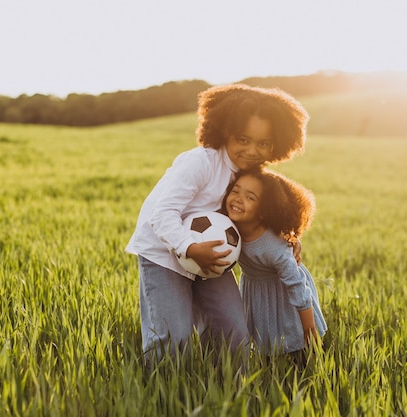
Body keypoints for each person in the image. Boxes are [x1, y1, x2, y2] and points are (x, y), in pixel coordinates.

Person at [125, 84, 309, 363]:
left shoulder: (252, 174)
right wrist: (189, 248)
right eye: (243, 139)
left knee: (234, 331)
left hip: (213, 257)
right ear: (225, 131)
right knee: (174, 339)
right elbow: (161, 214)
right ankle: (163, 396)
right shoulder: (201, 162)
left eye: (264, 143)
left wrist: (289, 236)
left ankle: (231, 392)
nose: (252, 151)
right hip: (163, 252)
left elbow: (266, 213)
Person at [221, 166, 327, 361]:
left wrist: (310, 330)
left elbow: (298, 288)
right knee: (268, 347)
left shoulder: (273, 248)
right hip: (257, 291)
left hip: (285, 293)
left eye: (250, 197)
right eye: (235, 191)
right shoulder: (228, 227)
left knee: (296, 345)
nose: (238, 199)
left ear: (264, 210)